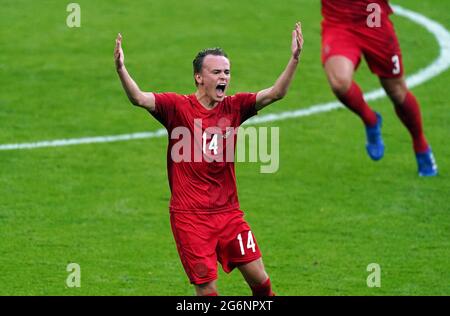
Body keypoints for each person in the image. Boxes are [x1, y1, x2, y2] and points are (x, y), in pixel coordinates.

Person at [114, 23, 304, 295]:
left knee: (262, 283)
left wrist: (294, 59)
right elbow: (139, 98)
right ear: (199, 78)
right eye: (216, 72)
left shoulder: (235, 106)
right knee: (207, 291)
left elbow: (276, 93)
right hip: (190, 218)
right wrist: (122, 69)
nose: (224, 77)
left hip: (229, 214)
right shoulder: (177, 107)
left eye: (226, 72)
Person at [321, 0, 438, 176]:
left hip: (373, 21)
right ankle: (371, 120)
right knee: (339, 83)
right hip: (339, 24)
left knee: (397, 92)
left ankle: (420, 145)